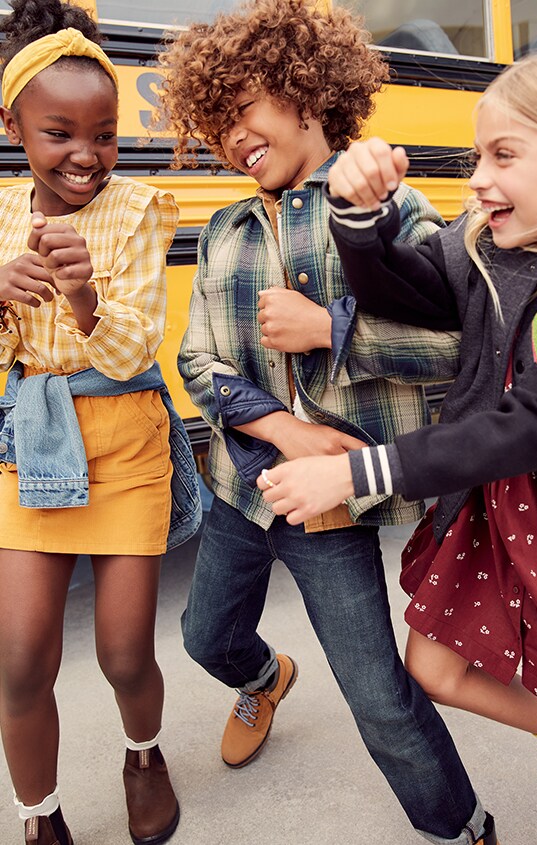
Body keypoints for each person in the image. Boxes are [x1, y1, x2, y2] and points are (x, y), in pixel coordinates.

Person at [258, 46, 537, 845]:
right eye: (477, 156)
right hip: (482, 504)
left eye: (504, 155)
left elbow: (524, 427)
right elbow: (402, 293)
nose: (476, 179)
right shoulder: (487, 249)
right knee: (433, 670)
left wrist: (354, 474)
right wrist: (360, 222)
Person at [157, 1, 498, 842]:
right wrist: (285, 430)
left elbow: (463, 346)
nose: (232, 139)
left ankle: (460, 825)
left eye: (243, 112)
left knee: (381, 698)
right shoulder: (223, 231)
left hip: (334, 508)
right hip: (246, 486)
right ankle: (266, 677)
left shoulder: (386, 206)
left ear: (306, 92)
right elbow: (197, 363)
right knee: (204, 637)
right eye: (215, 125)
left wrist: (331, 330)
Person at [0, 1, 198, 842]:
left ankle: (144, 753)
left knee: (123, 652)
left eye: (105, 133)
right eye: (59, 133)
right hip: (31, 440)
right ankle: (39, 817)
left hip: (124, 441)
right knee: (19, 662)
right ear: (12, 126)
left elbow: (131, 351)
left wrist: (82, 293)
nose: (86, 154)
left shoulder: (141, 209)